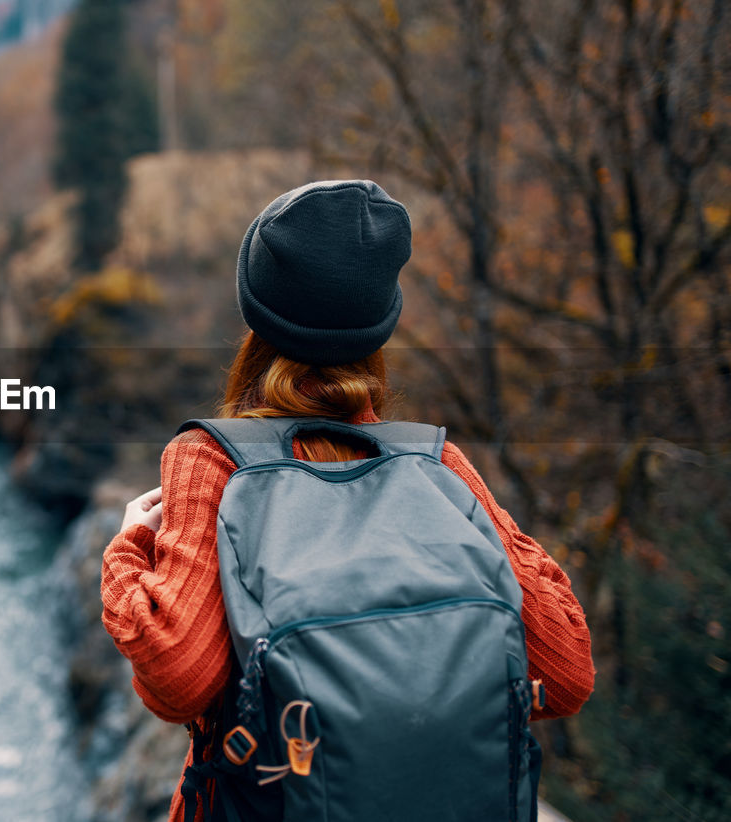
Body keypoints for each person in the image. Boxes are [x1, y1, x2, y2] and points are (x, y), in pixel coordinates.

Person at [100, 180, 596, 822]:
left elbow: (179, 677)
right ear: (382, 317)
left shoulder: (212, 460)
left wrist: (127, 550)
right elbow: (566, 671)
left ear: (256, 309)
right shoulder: (438, 465)